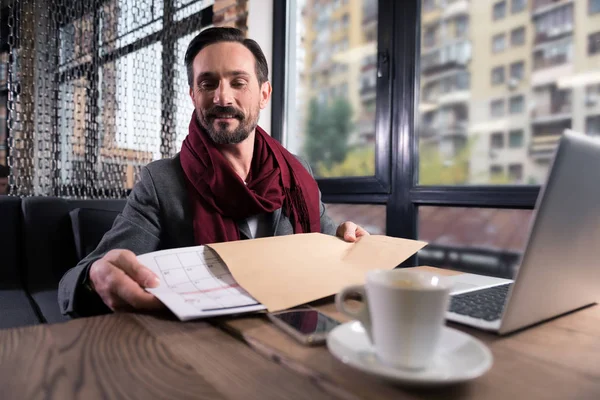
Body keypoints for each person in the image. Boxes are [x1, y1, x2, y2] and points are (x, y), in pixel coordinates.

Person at [58, 27, 369, 317]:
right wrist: (94, 277)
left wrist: (347, 242)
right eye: (208, 84)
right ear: (193, 95)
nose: (222, 97)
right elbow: (77, 281)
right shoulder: (161, 182)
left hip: (296, 340)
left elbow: (330, 257)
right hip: (205, 353)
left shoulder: (296, 172)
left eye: (238, 82)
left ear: (264, 94)